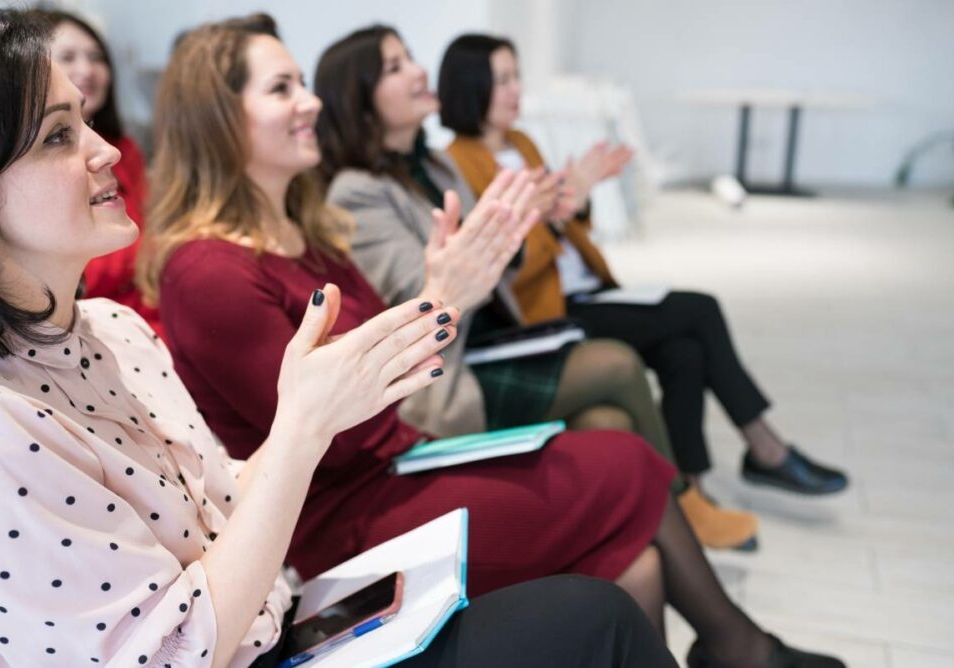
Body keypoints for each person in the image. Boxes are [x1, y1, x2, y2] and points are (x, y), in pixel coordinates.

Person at [0, 9, 678, 668]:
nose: (109, 149)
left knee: (618, 546)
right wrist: (437, 308)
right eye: (59, 135)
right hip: (316, 538)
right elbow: (168, 648)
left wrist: (431, 312)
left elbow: (227, 492)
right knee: (612, 502)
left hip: (290, 580)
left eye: (86, 121)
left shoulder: (117, 328)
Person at [142, 15, 843, 667]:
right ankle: (741, 648)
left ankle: (737, 647)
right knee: (626, 462)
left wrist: (444, 296)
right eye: (282, 88)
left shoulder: (303, 231)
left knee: (637, 560)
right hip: (337, 515)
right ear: (220, 120)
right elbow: (337, 428)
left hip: (394, 464)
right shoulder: (209, 270)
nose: (311, 101)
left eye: (302, 82)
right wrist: (441, 300)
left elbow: (384, 385)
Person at [314, 25, 757, 551]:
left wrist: (538, 217)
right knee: (621, 360)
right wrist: (514, 227)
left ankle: (638, 536)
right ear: (360, 100)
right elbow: (425, 297)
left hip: (494, 332)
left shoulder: (437, 164)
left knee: (611, 415)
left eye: (410, 57)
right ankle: (682, 503)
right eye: (395, 66)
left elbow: (502, 264)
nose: (417, 70)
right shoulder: (359, 191)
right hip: (451, 366)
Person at [437, 33, 850, 516]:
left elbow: (564, 226)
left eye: (516, 76)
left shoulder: (522, 143)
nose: (514, 90)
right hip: (545, 313)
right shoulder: (458, 163)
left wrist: (577, 199)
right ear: (471, 85)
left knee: (685, 350)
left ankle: (692, 486)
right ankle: (764, 449)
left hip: (586, 289)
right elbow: (503, 268)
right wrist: (543, 214)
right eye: (501, 79)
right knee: (700, 309)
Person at [35, 8, 163, 338]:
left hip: (153, 322)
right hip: (97, 333)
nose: (86, 70)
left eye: (96, 57)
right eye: (68, 56)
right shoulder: (34, 173)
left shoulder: (125, 148)